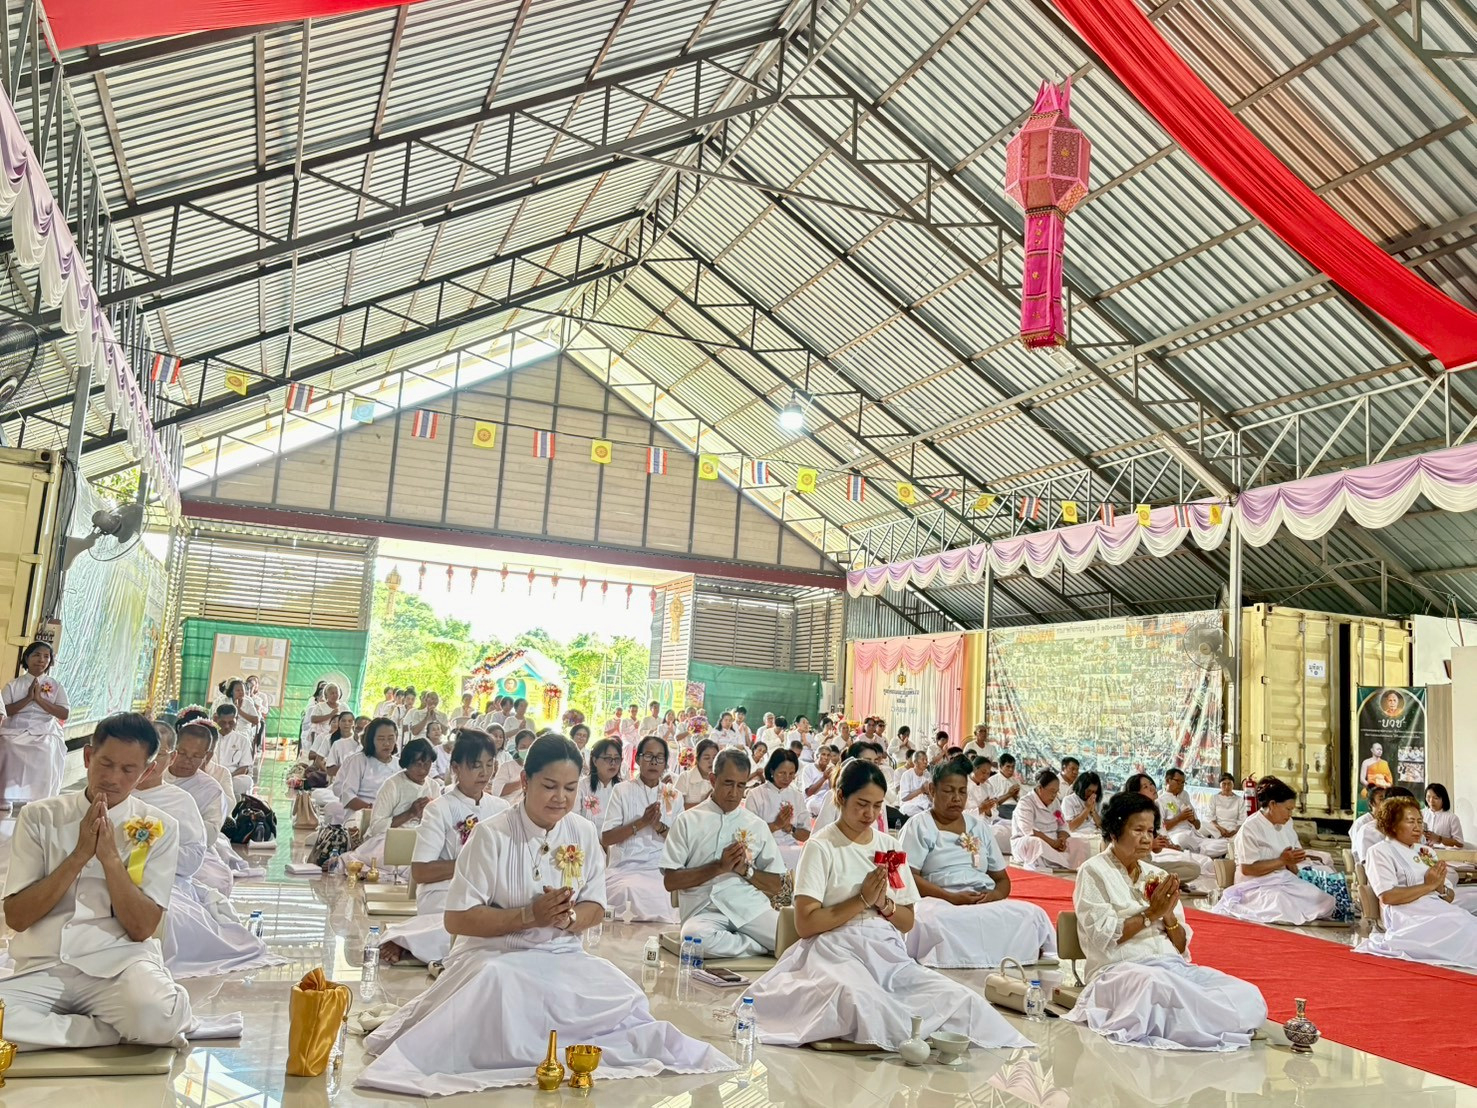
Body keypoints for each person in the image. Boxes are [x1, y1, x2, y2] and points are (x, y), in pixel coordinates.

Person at [357, 735, 734, 1094]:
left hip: (560, 953)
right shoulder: (491, 835)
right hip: (496, 954)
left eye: (570, 788)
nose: (561, 798)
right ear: (525, 781)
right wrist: (528, 916)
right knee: (499, 983)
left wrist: (569, 919)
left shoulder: (583, 832)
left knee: (624, 995)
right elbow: (456, 919)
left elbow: (595, 906)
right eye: (550, 786)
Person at [737, 759, 1029, 1051]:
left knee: (957, 998)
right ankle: (899, 1038)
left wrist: (885, 904)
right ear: (841, 797)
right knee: (857, 997)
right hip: (834, 948)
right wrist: (861, 900)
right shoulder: (821, 846)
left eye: (877, 806)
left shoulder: (889, 847)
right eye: (862, 804)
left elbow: (907, 921)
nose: (870, 814)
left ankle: (908, 1036)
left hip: (885, 950)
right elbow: (805, 924)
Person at [0, 712, 193, 1049]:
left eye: (128, 770)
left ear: (147, 772)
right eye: (106, 763)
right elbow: (16, 918)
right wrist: (78, 856)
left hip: (119, 964)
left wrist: (110, 859)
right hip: (45, 965)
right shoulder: (40, 816)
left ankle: (52, 1032)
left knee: (157, 1016)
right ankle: (101, 1032)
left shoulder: (158, 827)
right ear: (88, 757)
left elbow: (142, 928)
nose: (113, 778)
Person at [1065, 791, 1267, 1050]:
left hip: (1170, 966)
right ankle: (1205, 1021)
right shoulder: (1093, 871)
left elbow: (1181, 947)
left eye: (1150, 831)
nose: (1146, 838)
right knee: (1156, 986)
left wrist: (1168, 914)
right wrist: (1151, 914)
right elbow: (1103, 937)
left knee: (1247, 994)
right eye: (1138, 830)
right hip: (1119, 971)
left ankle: (1199, 1019)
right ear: (1115, 831)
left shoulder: (1157, 875)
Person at [134, 723, 275, 980]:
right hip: (116, 871)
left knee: (207, 886)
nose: (187, 761)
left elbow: (204, 840)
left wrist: (148, 849)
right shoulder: (120, 788)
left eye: (195, 756)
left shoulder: (198, 793)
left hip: (173, 867)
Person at [899, 756, 1054, 968]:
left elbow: (1002, 880)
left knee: (1033, 914)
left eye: (962, 792)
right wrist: (951, 897)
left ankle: (1014, 956)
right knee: (930, 920)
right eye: (949, 791)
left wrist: (993, 896)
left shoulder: (978, 826)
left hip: (981, 899)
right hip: (939, 900)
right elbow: (908, 877)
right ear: (932, 790)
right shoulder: (919, 825)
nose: (956, 798)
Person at [379, 730, 510, 966]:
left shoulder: (502, 808)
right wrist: (472, 863)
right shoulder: (439, 808)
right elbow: (421, 872)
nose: (484, 772)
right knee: (464, 923)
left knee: (509, 922)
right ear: (456, 767)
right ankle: (404, 939)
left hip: (488, 892)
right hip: (444, 891)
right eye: (476, 765)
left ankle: (416, 939)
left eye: (489, 764)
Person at [661, 749, 786, 956]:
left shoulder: (756, 825)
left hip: (749, 907)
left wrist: (746, 871)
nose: (734, 793)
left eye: (741, 785)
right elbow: (670, 881)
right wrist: (718, 867)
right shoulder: (687, 821)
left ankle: (755, 945)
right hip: (703, 910)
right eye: (728, 783)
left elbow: (777, 885)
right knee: (694, 940)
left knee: (792, 940)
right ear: (713, 779)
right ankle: (758, 947)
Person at [1356, 795, 1477, 969]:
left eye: (1420, 822)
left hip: (1436, 908)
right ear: (1392, 825)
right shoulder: (1380, 851)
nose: (1417, 827)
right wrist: (1428, 886)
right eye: (1410, 821)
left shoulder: (1426, 852)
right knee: (1463, 927)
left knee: (1467, 922)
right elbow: (1388, 896)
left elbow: (1449, 897)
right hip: (1406, 915)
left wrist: (1439, 886)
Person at [1211, 777, 1337, 925]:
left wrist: (1293, 863)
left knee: (1323, 899)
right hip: (1254, 884)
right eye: (1288, 809)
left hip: (1282, 879)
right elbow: (1247, 869)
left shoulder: (1287, 824)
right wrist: (1282, 861)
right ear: (1272, 805)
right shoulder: (1251, 827)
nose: (1290, 814)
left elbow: (1292, 863)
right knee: (1280, 901)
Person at [601, 735, 683, 922]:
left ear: (665, 763)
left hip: (660, 867)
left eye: (659, 758)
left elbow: (681, 842)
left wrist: (658, 826)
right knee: (628, 890)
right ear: (637, 759)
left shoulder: (675, 795)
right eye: (648, 756)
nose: (653, 762)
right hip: (626, 866)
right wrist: (642, 822)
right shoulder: (622, 790)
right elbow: (607, 838)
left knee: (667, 892)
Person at [341, 738, 440, 872]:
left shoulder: (434, 786)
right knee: (405, 867)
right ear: (407, 763)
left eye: (427, 764)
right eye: (418, 764)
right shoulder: (392, 785)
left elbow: (438, 824)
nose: (423, 770)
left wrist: (428, 814)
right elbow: (376, 827)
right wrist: (410, 813)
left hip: (422, 841)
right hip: (391, 840)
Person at [0, 641, 70, 804]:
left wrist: (39, 699)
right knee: (7, 745)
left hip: (45, 728)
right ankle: (5, 796)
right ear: (27, 658)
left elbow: (64, 713)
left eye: (46, 656)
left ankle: (39, 799)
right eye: (37, 655)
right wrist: (28, 698)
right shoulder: (13, 685)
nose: (41, 660)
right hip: (15, 727)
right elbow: (4, 710)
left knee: (46, 748)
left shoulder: (56, 686)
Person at [1123, 775, 1211, 887]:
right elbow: (1126, 845)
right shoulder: (1131, 814)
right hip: (1135, 865)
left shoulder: (1153, 812)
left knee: (1194, 869)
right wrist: (1152, 844)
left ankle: (1158, 881)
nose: (1152, 788)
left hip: (1150, 864)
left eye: (1151, 784)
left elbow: (1157, 850)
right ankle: (1152, 881)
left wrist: (1160, 844)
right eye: (1145, 787)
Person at [1011, 769, 1091, 872]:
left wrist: (1062, 839)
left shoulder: (1055, 802)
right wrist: (1052, 843)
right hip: (1030, 841)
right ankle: (1062, 863)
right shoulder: (1025, 803)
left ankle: (1071, 865)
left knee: (1080, 842)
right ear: (1040, 788)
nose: (1054, 796)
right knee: (1036, 843)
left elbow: (1062, 824)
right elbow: (1029, 831)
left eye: (1056, 792)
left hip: (1055, 840)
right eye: (1052, 791)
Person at [745, 748, 812, 870]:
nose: (787, 778)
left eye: (791, 774)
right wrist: (776, 825)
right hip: (763, 848)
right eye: (782, 773)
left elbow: (806, 835)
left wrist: (791, 829)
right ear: (772, 770)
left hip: (791, 848)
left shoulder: (796, 796)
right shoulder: (755, 794)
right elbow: (749, 834)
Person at [333, 718, 401, 834]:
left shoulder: (400, 764)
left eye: (391, 738)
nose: (387, 743)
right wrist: (375, 812)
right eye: (381, 739)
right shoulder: (358, 761)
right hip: (361, 817)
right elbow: (348, 797)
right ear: (371, 740)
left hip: (392, 819)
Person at [1159, 769, 1228, 858]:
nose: (1181, 785)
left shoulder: (1184, 797)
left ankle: (1197, 853)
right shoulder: (1160, 801)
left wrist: (1192, 820)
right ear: (1167, 781)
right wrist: (1179, 818)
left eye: (1183, 782)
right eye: (1178, 781)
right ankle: (1200, 853)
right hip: (1176, 836)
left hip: (1195, 836)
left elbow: (1198, 826)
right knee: (1182, 839)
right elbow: (1161, 827)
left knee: (1227, 844)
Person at [213, 703, 255, 801]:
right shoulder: (209, 737)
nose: (227, 726)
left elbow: (244, 768)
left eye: (231, 723)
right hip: (211, 777)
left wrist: (226, 779)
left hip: (232, 779)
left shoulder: (243, 740)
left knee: (246, 781)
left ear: (237, 720)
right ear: (216, 719)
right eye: (223, 722)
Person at [579, 738, 623, 823]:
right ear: (595, 761)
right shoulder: (582, 786)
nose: (613, 763)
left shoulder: (623, 789)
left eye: (617, 759)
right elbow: (574, 819)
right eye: (608, 758)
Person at [1423, 783, 1468, 848]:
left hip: (1443, 853)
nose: (1431, 801)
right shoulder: (1421, 814)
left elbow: (1460, 844)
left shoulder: (1452, 818)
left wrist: (1439, 838)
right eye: (1428, 797)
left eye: (1435, 798)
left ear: (1443, 799)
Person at [675, 739, 717, 808]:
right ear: (697, 759)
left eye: (715, 758)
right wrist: (705, 803)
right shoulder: (685, 777)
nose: (711, 761)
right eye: (707, 758)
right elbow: (676, 807)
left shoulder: (720, 779)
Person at [1207, 772, 1246, 841]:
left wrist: (1234, 831)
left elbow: (1242, 819)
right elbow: (1210, 817)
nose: (1227, 787)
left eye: (1229, 784)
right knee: (1203, 824)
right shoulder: (1214, 798)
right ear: (1220, 785)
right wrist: (1220, 829)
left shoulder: (1239, 800)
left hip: (1234, 830)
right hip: (1217, 829)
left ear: (1233, 785)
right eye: (1224, 784)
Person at [896, 750, 933, 820]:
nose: (925, 762)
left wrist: (928, 793)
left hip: (925, 804)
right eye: (923, 760)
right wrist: (921, 790)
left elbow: (932, 799)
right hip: (910, 805)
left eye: (926, 759)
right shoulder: (907, 775)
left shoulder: (927, 775)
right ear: (915, 762)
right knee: (912, 811)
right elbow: (904, 798)